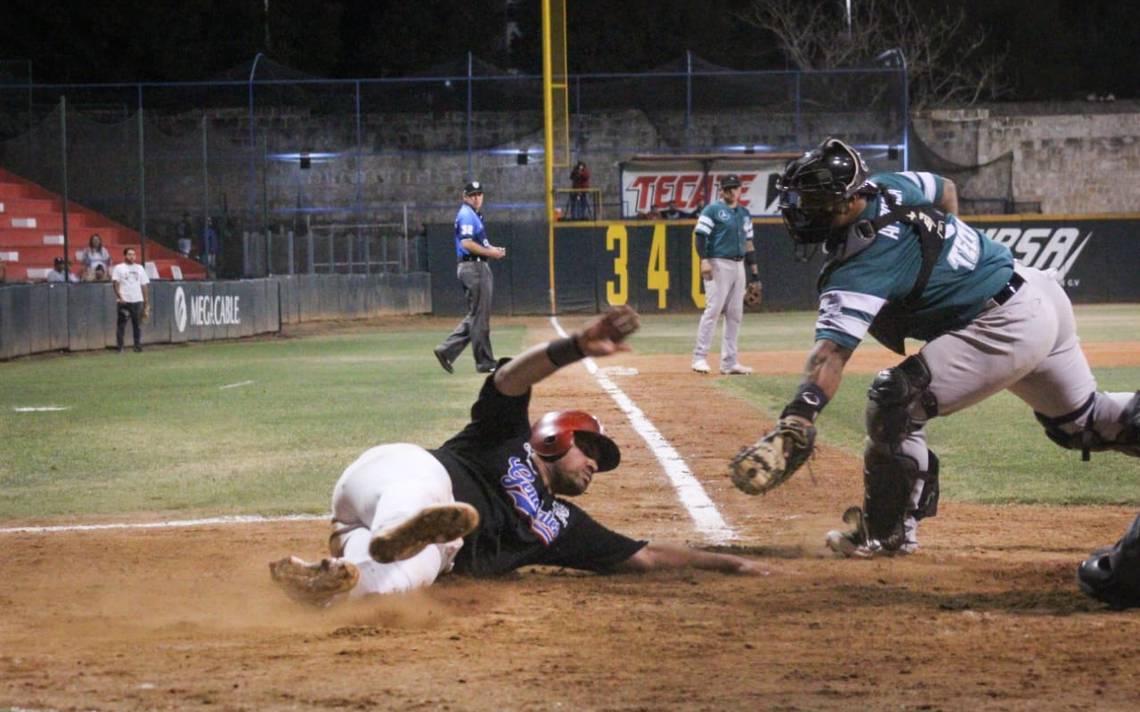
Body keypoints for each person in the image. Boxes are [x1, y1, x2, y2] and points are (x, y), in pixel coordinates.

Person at [732, 137, 1140, 558]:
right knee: (1084, 423)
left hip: (1004, 323)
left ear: (845, 200)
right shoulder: (891, 185)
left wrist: (799, 417)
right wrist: (952, 257)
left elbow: (830, 355)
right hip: (1032, 288)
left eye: (811, 199)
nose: (799, 209)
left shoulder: (860, 266)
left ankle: (887, 533)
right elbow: (945, 188)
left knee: (895, 402)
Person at [269, 306, 762, 607]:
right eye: (587, 447)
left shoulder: (561, 523)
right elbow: (510, 380)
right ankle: (397, 534)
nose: (593, 463)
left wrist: (729, 565)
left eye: (599, 460)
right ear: (552, 436)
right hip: (403, 472)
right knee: (434, 520)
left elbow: (647, 555)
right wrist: (575, 347)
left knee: (395, 581)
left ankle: (327, 578)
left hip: (381, 527)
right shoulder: (507, 435)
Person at [433, 181, 506, 375]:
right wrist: (491, 253)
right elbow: (466, 243)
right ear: (464, 197)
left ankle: (446, 350)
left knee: (476, 315)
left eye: (479, 194)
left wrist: (493, 250)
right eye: (472, 194)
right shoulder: (466, 214)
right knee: (479, 316)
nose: (476, 197)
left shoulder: (473, 215)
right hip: (473, 266)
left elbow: (476, 243)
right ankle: (485, 362)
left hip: (475, 265)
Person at [691, 174, 760, 376]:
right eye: (728, 188)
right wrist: (704, 260)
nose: (732, 191)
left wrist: (755, 273)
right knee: (713, 310)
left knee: (735, 314)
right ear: (721, 191)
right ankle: (699, 357)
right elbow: (700, 236)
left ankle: (729, 362)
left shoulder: (744, 213)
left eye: (735, 188)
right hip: (717, 262)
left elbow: (749, 244)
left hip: (739, 265)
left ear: (740, 190)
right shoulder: (712, 210)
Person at [111, 247, 150, 353]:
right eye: (129, 254)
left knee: (137, 324)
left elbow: (144, 284)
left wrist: (146, 301)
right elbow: (115, 283)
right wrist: (120, 296)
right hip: (124, 300)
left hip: (137, 299)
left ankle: (137, 345)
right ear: (124, 256)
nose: (132, 256)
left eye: (133, 254)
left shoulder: (140, 268)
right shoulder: (119, 268)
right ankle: (120, 347)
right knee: (121, 324)